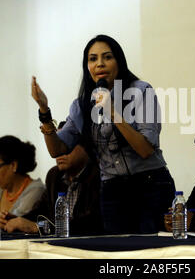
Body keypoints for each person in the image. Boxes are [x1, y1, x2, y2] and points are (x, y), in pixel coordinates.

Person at [31, 34, 175, 234]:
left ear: (119, 61)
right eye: (93, 59)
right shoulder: (82, 104)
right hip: (112, 190)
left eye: (107, 57)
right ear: (87, 67)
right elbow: (58, 149)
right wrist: (44, 112)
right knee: (117, 253)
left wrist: (112, 110)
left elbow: (145, 149)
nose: (100, 64)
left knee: (151, 252)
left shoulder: (141, 91)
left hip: (151, 185)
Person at [2, 124, 103, 235]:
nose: (58, 151)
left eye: (65, 144)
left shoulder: (100, 174)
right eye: (55, 145)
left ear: (86, 147)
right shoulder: (54, 175)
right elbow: (41, 211)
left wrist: (38, 227)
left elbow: (92, 223)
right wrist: (17, 220)